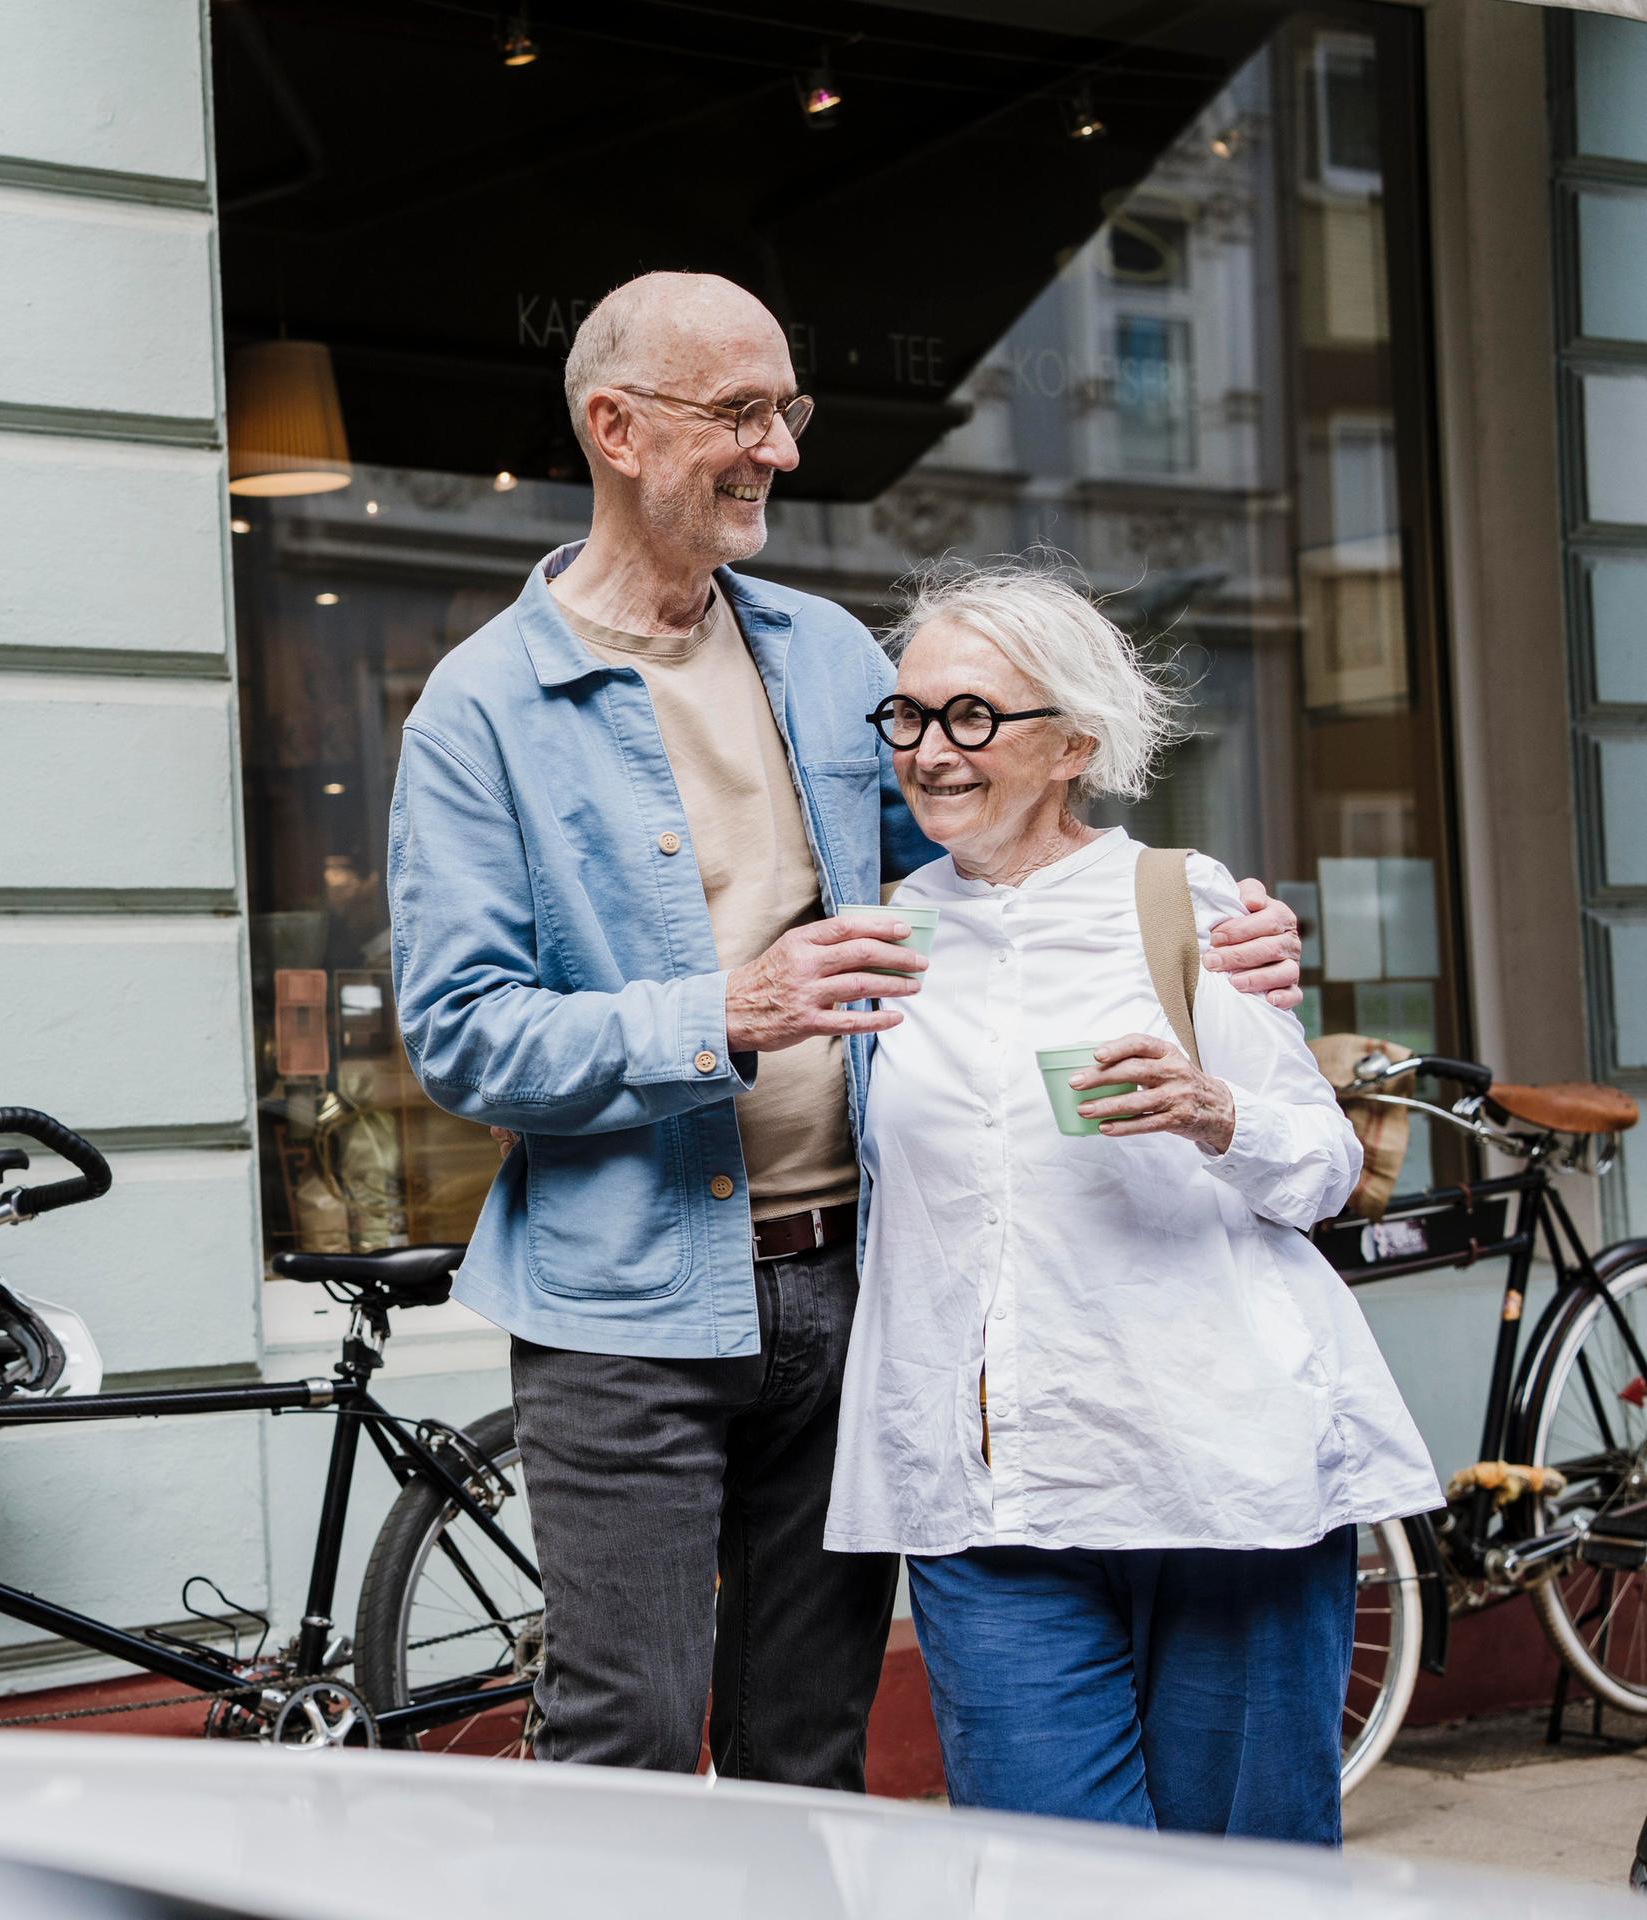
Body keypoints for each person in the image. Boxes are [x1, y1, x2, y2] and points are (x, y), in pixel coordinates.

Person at [386, 272, 1304, 1787]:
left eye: (786, 410)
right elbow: (467, 1042)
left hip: (865, 1280)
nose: (780, 451)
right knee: (620, 1729)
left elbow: (996, 854)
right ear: (614, 428)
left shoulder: (825, 655)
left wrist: (1200, 919)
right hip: (624, 1314)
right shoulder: (481, 708)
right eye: (739, 414)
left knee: (809, 1734)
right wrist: (723, 1013)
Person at [824, 559, 1441, 1841]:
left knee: (1244, 1876)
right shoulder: (880, 937)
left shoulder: (1181, 903)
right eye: (910, 717)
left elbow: (1322, 1170)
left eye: (972, 717)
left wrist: (1217, 1113)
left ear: (1074, 745)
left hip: (1221, 1473)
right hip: (993, 1505)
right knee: (1053, 1876)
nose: (931, 751)